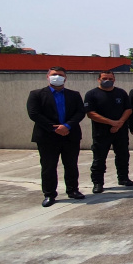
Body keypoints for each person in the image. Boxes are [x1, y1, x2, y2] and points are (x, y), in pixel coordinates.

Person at [26, 67, 85, 207]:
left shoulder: (74, 95)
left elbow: (80, 112)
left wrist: (67, 126)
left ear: (65, 78)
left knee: (71, 165)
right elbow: (34, 114)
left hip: (70, 135)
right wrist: (55, 128)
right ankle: (49, 194)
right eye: (54, 74)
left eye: (60, 75)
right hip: (47, 137)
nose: (57, 77)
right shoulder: (36, 94)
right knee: (48, 167)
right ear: (47, 77)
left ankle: (73, 190)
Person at [84, 71, 133, 194]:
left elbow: (128, 109)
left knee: (123, 155)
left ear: (114, 80)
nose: (108, 80)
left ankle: (123, 178)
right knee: (99, 158)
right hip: (101, 132)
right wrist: (111, 123)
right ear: (99, 79)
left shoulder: (121, 93)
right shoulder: (92, 94)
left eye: (110, 78)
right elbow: (91, 113)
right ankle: (98, 183)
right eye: (105, 78)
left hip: (120, 131)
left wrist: (119, 123)